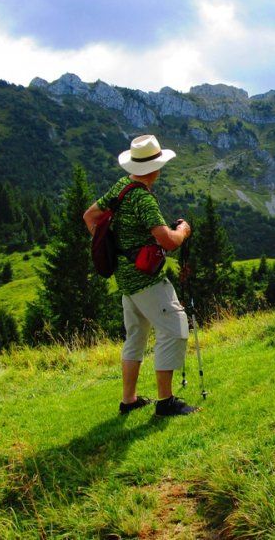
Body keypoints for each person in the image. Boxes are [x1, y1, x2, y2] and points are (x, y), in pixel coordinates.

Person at [83, 134, 198, 417]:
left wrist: (113, 245)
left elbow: (89, 216)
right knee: (175, 328)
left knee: (136, 336)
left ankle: (129, 400)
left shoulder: (122, 187)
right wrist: (183, 231)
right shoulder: (144, 200)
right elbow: (168, 241)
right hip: (146, 279)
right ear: (155, 168)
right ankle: (166, 402)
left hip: (125, 277)